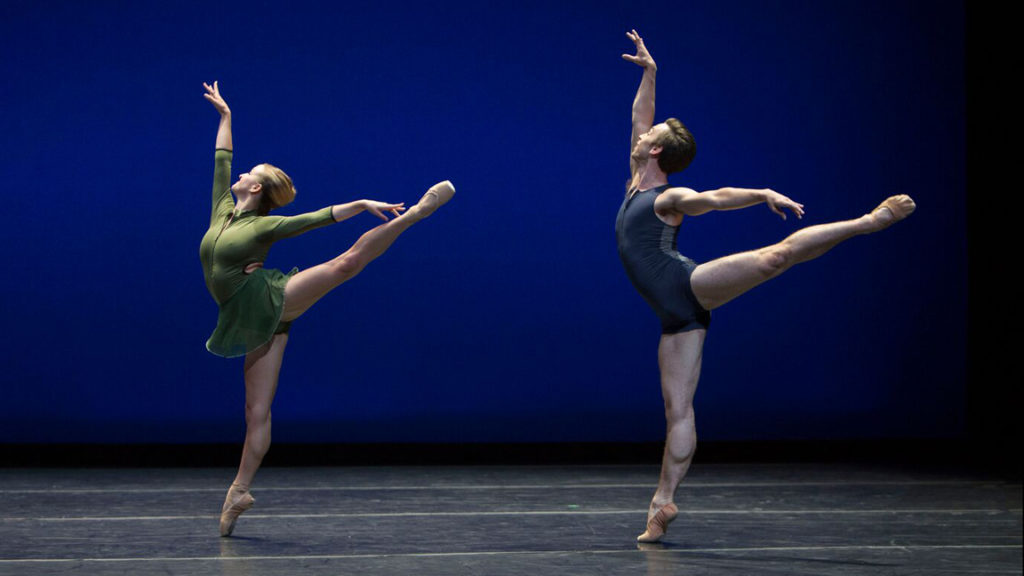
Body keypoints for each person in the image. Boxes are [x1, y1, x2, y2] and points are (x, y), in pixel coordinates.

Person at [616, 31, 915, 543]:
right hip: (675, 318)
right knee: (678, 412)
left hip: (685, 285)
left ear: (657, 149)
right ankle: (662, 504)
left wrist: (761, 193)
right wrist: (651, 72)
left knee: (774, 258)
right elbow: (640, 117)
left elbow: (714, 197)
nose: (643, 132)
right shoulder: (636, 175)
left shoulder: (669, 196)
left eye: (653, 133)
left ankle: (866, 222)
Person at [199, 81, 455, 536]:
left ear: (255, 187)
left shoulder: (265, 225)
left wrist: (361, 203)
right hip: (247, 317)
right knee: (255, 412)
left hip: (268, 296)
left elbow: (314, 219)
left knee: (343, 264)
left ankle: (413, 215)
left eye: (246, 174)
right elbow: (222, 159)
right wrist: (225, 116)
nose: (237, 175)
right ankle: (238, 491)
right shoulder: (222, 208)